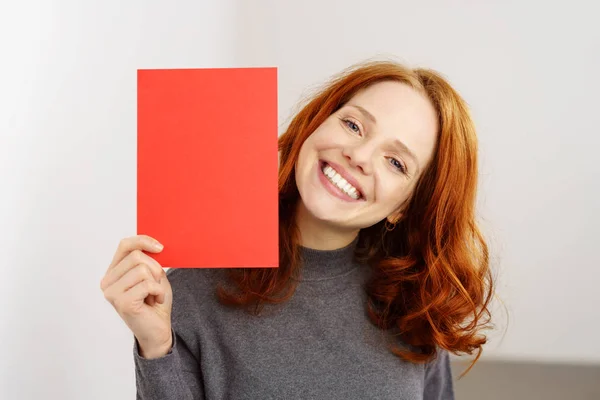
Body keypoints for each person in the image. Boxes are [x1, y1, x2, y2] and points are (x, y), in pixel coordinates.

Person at [101, 60, 494, 400]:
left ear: (404, 207)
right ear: (315, 125)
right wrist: (156, 348)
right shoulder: (190, 290)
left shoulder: (414, 307)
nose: (358, 156)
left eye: (396, 163)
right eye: (354, 125)